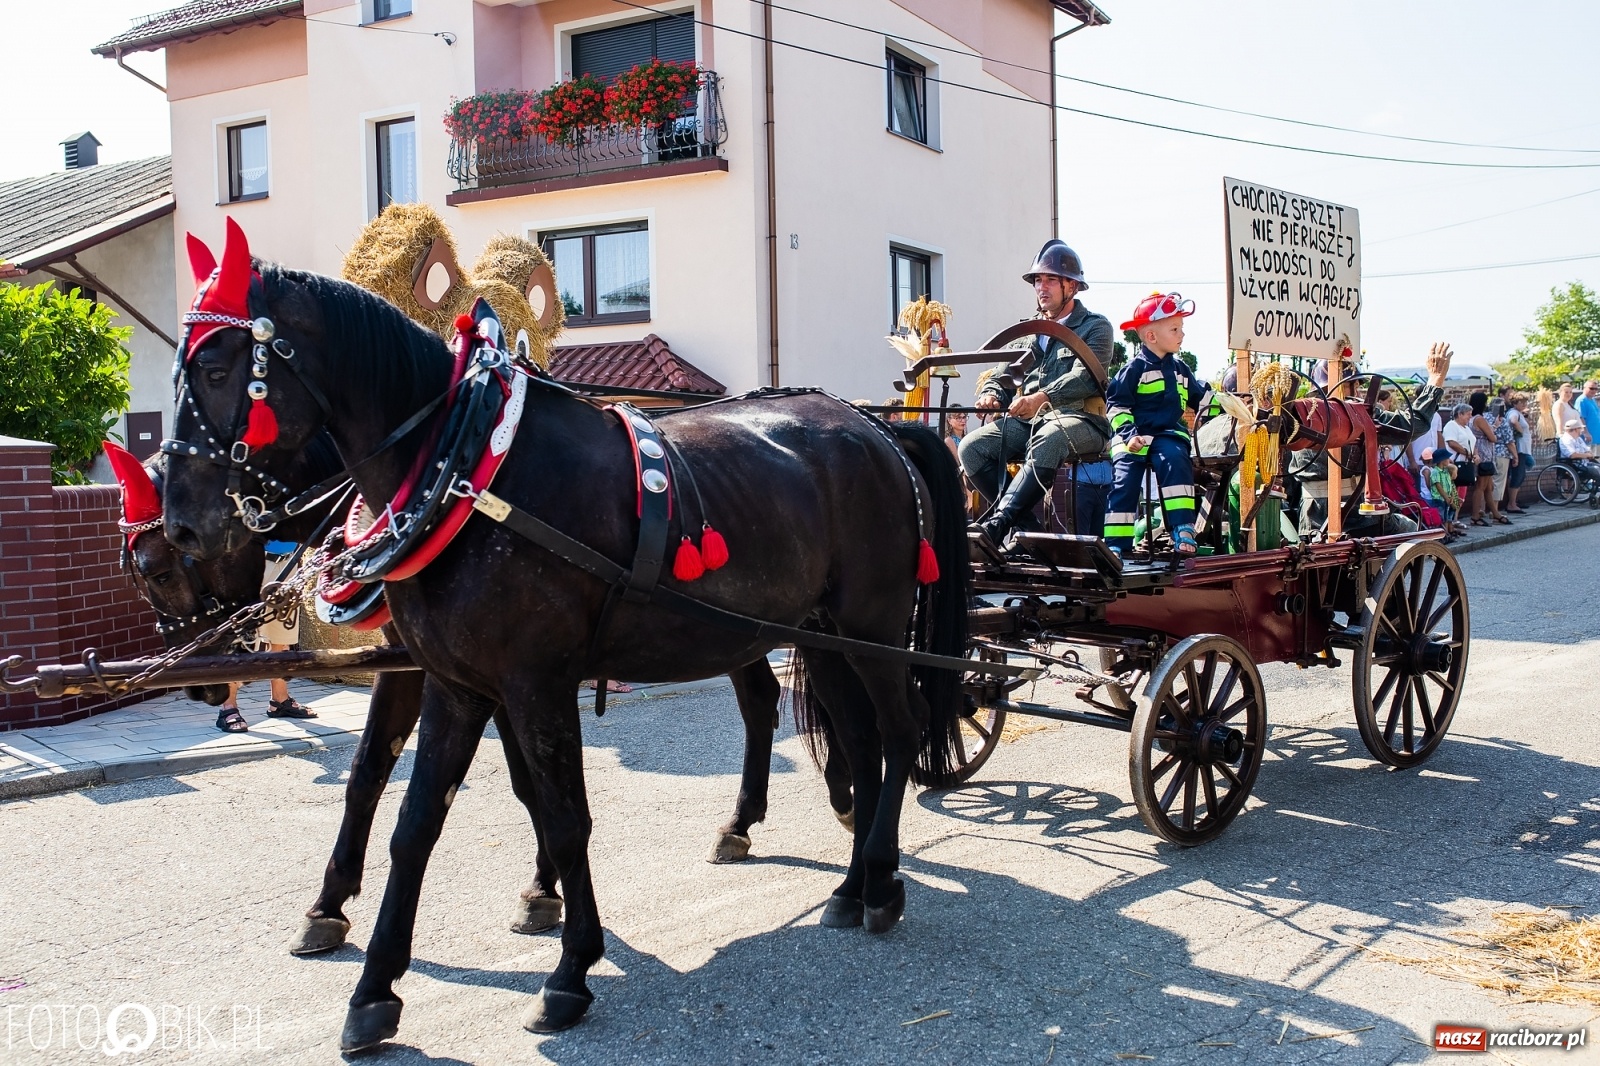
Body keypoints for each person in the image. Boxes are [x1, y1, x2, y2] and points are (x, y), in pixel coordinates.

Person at [960, 239, 1115, 556]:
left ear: (1071, 286)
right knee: (971, 448)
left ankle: (999, 525)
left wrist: (1040, 398)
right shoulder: (1029, 331)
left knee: (1050, 437)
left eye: (1050, 280)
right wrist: (991, 394)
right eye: (1038, 280)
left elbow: (1084, 378)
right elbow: (1004, 374)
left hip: (1083, 421)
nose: (1041, 287)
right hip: (1032, 423)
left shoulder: (1096, 327)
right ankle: (1028, 532)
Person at [1290, 343, 1452, 537]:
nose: (1359, 393)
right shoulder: (1357, 414)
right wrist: (1435, 379)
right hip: (1358, 518)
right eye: (1356, 386)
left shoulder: (1297, 414)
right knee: (1411, 529)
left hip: (1309, 520)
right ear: (1343, 385)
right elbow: (1413, 425)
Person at [1104, 292, 1209, 555]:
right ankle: (1116, 545)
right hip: (1131, 436)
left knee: (1176, 461)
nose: (1182, 334)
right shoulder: (1132, 370)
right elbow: (1117, 407)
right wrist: (1129, 435)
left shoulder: (1181, 370)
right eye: (1175, 329)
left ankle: (1183, 528)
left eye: (1181, 328)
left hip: (1167, 435)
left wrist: (1232, 405)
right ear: (1151, 336)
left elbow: (1203, 399)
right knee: (1124, 480)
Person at [215, 540, 317, 733]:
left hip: (288, 562)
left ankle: (280, 701)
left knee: (281, 637)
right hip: (250, 562)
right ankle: (228, 708)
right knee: (237, 640)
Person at [1502, 391, 1533, 514]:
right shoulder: (1514, 413)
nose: (1524, 404)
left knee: (1520, 475)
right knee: (1518, 475)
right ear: (1515, 403)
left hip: (1523, 448)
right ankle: (1512, 504)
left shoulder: (1518, 413)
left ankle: (1514, 502)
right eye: (1522, 402)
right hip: (1520, 448)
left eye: (1525, 402)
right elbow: (1513, 421)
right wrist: (1521, 431)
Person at [1558, 418, 1600, 483]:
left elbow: (1586, 449)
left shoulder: (1578, 439)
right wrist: (1586, 455)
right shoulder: (1566, 440)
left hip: (1584, 463)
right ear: (1575, 429)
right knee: (1596, 469)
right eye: (1580, 428)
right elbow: (1572, 455)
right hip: (1575, 465)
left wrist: (1589, 453)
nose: (1582, 430)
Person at [1580, 380, 1600, 445]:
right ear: (1584, 388)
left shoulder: (1593, 399)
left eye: (1596, 389)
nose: (1594, 391)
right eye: (1591, 388)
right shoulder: (1582, 400)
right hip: (1589, 438)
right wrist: (1586, 433)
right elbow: (1581, 418)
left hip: (1597, 437)